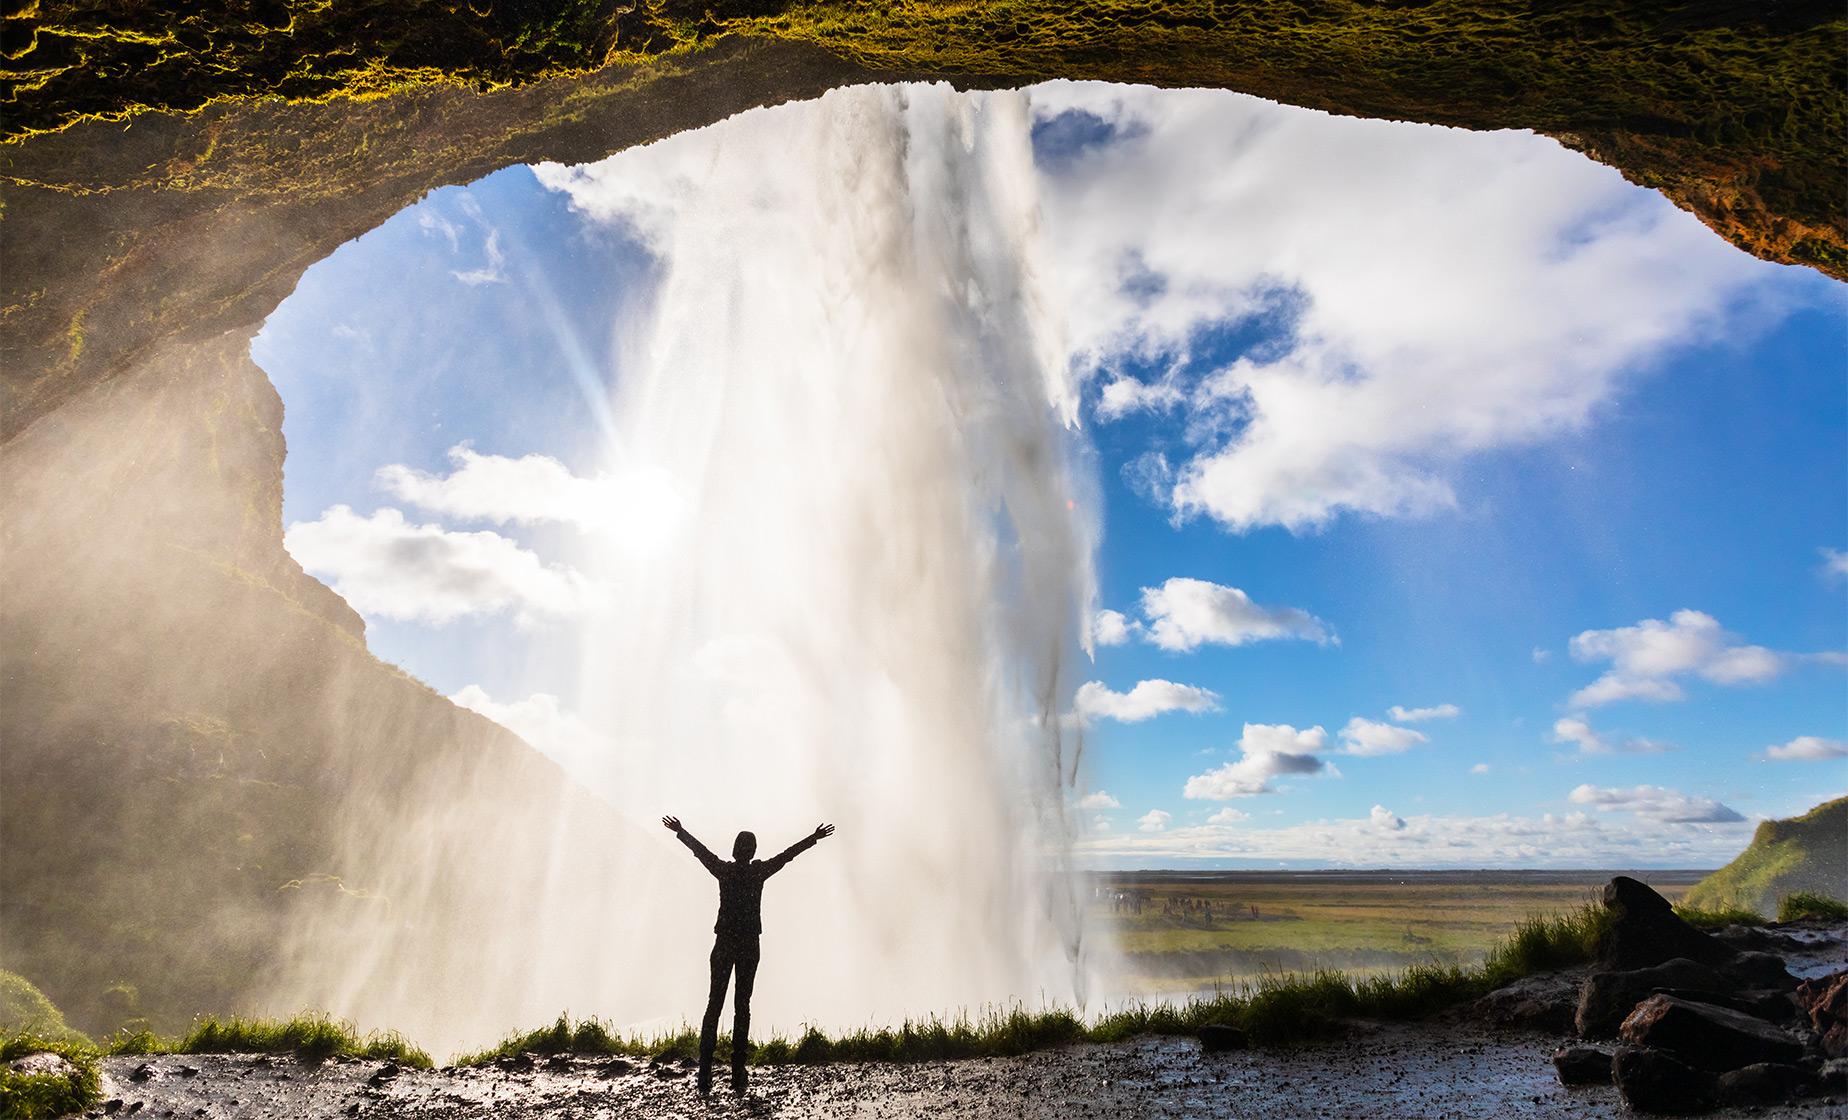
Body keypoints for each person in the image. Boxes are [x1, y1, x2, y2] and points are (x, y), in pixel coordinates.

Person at [661, 814, 834, 1096]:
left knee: (714, 1005)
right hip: (749, 945)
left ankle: (705, 1074)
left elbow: (701, 853)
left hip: (724, 943)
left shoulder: (725, 871)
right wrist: (812, 839)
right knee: (742, 1006)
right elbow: (786, 856)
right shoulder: (757, 873)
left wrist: (681, 832)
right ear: (752, 852)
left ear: (734, 850)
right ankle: (737, 1073)